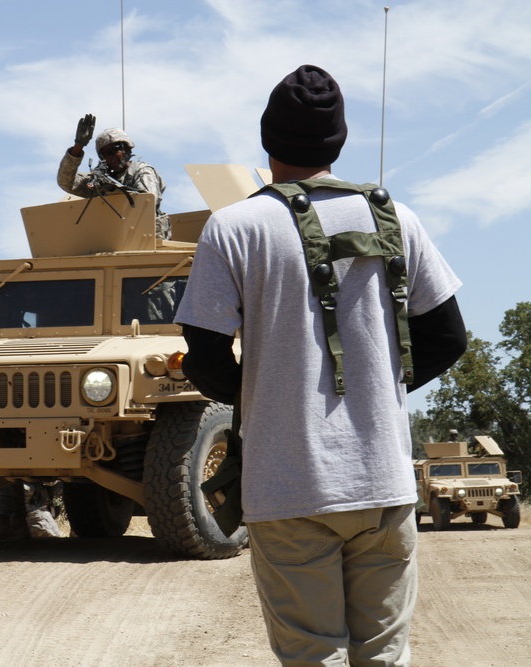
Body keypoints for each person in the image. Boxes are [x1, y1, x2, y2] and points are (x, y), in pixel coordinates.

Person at [176, 65, 467, 666]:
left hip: (289, 487)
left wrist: (268, 399)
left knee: (313, 657)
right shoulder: (396, 219)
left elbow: (204, 361)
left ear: (267, 138)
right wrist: (378, 387)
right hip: (382, 482)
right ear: (338, 142)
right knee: (384, 657)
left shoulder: (233, 227)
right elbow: (448, 337)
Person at [57, 113, 171, 240]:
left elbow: (146, 202)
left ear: (126, 149)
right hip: (110, 239)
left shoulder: (142, 171)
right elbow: (66, 182)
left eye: (114, 151)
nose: (110, 157)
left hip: (145, 240)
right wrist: (78, 146)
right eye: (104, 154)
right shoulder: (102, 179)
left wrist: (114, 189)